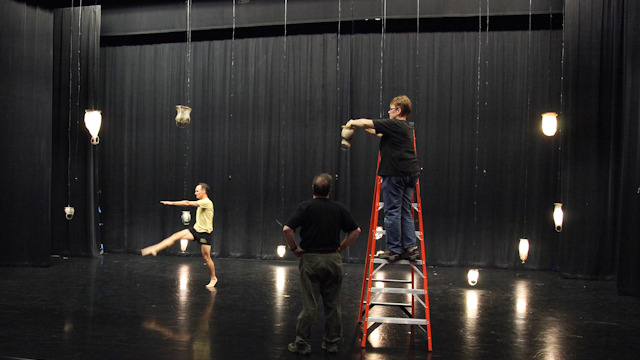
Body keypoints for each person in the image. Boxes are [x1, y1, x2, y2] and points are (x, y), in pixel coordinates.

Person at [283, 173, 361, 355]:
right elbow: (355, 231)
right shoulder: (338, 208)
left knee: (310, 304)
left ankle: (302, 343)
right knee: (333, 304)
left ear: (313, 189)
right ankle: (332, 342)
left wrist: (294, 248)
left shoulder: (305, 207)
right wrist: (341, 248)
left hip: (310, 259)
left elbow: (287, 228)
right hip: (333, 260)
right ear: (330, 190)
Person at [345, 95, 421, 261]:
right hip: (410, 172)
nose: (389, 112)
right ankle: (411, 248)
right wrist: (360, 128)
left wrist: (352, 122)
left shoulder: (395, 124)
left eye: (391, 109)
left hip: (395, 173)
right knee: (405, 210)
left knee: (393, 211)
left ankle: (394, 250)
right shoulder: (406, 127)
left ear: (398, 111)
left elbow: (366, 122)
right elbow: (376, 132)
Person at [141, 183, 218, 288]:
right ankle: (155, 248)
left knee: (206, 258)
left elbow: (187, 203)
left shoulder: (207, 202)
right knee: (175, 236)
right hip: (196, 230)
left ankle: (213, 278)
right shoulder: (202, 202)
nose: (195, 193)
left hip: (205, 233)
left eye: (197, 191)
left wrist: (171, 203)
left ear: (203, 191)